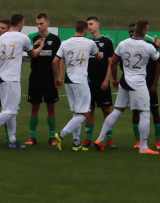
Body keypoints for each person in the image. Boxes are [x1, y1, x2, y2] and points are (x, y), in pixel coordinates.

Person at [93, 20, 160, 155]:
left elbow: (113, 61)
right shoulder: (148, 46)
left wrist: (115, 78)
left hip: (125, 81)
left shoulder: (123, 43)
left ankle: (100, 139)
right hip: (138, 84)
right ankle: (143, 147)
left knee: (117, 111)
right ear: (144, 31)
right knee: (145, 114)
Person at [0, 13, 41, 149]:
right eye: (23, 23)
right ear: (20, 24)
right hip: (12, 79)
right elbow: (33, 55)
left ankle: (12, 140)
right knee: (11, 111)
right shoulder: (23, 37)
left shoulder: (1, 39)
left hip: (1, 78)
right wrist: (41, 46)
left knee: (10, 109)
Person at [53, 20, 101, 151]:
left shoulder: (65, 43)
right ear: (85, 30)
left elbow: (55, 61)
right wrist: (99, 53)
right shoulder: (89, 42)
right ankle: (61, 135)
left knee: (77, 112)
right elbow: (99, 57)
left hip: (68, 81)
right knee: (85, 113)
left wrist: (57, 77)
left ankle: (76, 143)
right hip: (80, 81)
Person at [127, 22, 160, 150]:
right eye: (130, 32)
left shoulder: (150, 45)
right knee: (136, 112)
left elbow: (159, 64)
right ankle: (138, 140)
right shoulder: (127, 45)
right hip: (135, 84)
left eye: (133, 31)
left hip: (149, 83)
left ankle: (158, 141)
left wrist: (154, 84)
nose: (131, 33)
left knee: (154, 110)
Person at [27, 13, 60, 146]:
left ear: (47, 23)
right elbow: (30, 55)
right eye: (37, 24)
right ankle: (32, 136)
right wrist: (34, 46)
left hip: (49, 77)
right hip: (35, 76)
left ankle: (52, 136)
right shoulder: (32, 38)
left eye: (41, 23)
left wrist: (58, 77)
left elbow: (59, 59)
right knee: (34, 106)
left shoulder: (55, 39)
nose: (39, 26)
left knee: (50, 107)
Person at [84, 16, 116, 148]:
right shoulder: (86, 42)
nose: (89, 27)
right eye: (87, 25)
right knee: (89, 111)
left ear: (98, 24)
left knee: (106, 111)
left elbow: (111, 63)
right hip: (89, 82)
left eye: (91, 24)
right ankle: (87, 139)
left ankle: (108, 139)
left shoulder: (107, 42)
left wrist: (107, 79)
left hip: (103, 82)